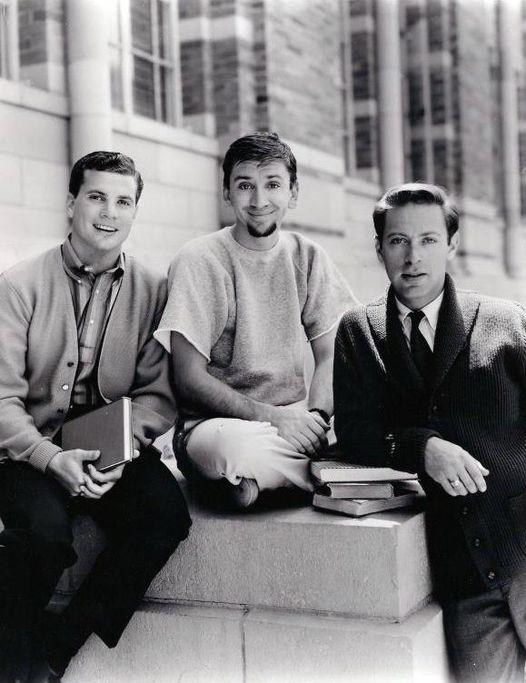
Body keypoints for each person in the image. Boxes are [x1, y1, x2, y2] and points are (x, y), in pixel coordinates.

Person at [0, 151, 191, 683]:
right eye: (97, 197)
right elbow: (2, 400)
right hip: (28, 443)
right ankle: (10, 661)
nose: (109, 212)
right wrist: (50, 458)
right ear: (71, 204)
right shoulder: (17, 286)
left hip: (111, 439)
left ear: (135, 212)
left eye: (123, 201)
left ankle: (56, 652)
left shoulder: (154, 290)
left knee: (165, 516)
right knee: (43, 535)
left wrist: (122, 449)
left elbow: (156, 395)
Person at [333, 182, 526, 681]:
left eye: (428, 240)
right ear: (379, 248)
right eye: (398, 241)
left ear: (451, 244)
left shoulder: (506, 322)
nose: (413, 257)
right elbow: (353, 432)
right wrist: (421, 447)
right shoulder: (359, 330)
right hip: (463, 574)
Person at [155, 132, 356, 509]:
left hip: (294, 420)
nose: (259, 200)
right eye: (245, 185)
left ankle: (262, 484)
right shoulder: (200, 259)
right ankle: (319, 475)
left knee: (370, 429)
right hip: (216, 426)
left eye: (273, 185)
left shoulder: (307, 256)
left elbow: (334, 354)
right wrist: (275, 420)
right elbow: (188, 378)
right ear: (227, 193)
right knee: (237, 451)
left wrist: (314, 419)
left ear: (293, 193)